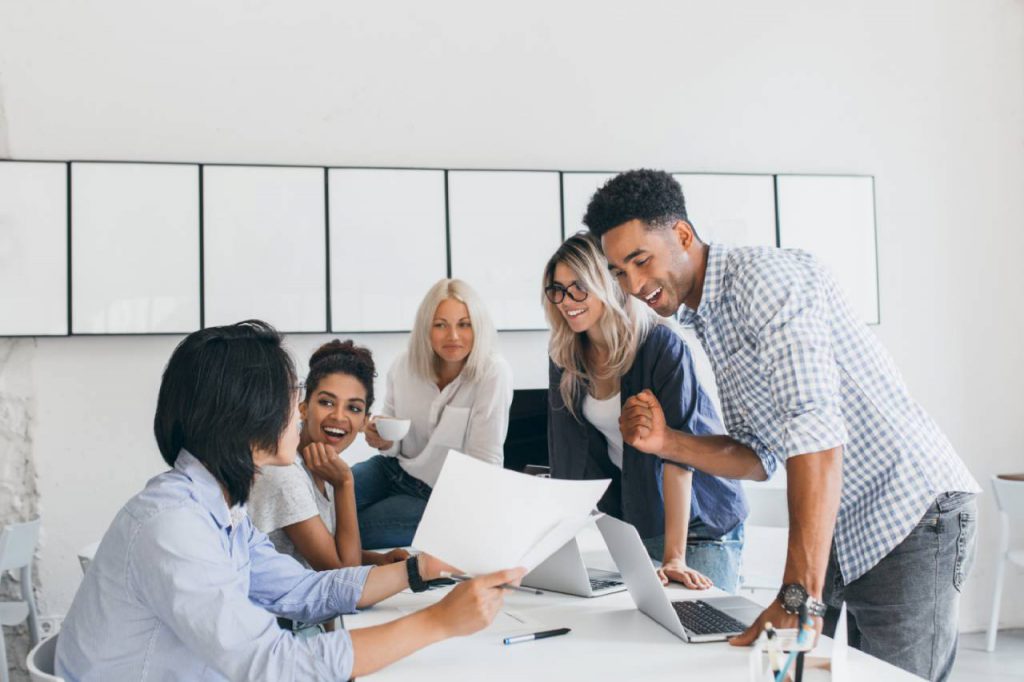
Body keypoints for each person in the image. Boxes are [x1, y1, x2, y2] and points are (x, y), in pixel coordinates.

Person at [585, 169, 979, 682]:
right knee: (785, 673)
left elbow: (814, 430)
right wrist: (668, 442)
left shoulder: (765, 281)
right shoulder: (705, 315)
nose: (633, 286)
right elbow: (759, 455)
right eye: (618, 272)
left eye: (641, 261)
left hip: (909, 515)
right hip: (837, 522)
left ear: (682, 236)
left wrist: (799, 595)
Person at [55, 320, 524, 681]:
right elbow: (270, 664)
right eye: (294, 396)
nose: (298, 413)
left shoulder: (222, 510)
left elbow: (302, 591)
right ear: (245, 412)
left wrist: (420, 570)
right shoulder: (173, 525)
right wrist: (439, 622)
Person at [543, 232, 747, 591]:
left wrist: (675, 558)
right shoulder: (566, 357)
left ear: (606, 283)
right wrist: (552, 545)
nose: (566, 301)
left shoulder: (661, 345)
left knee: (697, 626)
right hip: (639, 518)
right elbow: (565, 456)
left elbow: (678, 456)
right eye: (557, 290)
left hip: (698, 524)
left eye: (578, 287)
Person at [248, 340, 408, 633]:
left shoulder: (322, 461)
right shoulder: (286, 474)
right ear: (303, 408)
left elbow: (330, 549)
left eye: (354, 408)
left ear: (364, 421)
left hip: (301, 619)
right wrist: (345, 483)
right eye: (326, 402)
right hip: (273, 633)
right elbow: (344, 581)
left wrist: (379, 561)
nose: (338, 417)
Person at [354, 278, 513, 549]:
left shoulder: (492, 373)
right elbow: (392, 443)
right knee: (325, 498)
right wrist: (382, 439)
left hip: (439, 498)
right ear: (426, 328)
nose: (453, 336)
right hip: (393, 470)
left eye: (464, 324)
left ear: (478, 327)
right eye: (441, 325)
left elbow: (485, 463)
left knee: (351, 529)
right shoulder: (403, 366)